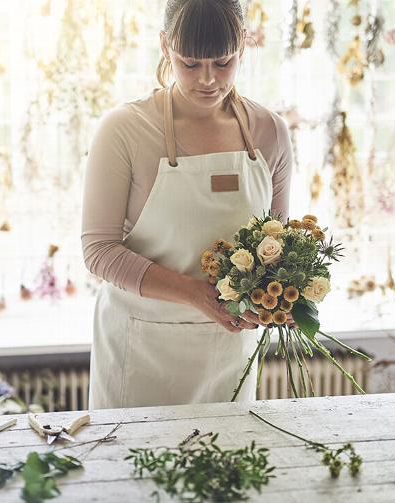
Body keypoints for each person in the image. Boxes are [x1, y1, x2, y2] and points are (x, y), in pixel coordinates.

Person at [81, 0, 294, 410]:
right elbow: (99, 252)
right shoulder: (124, 130)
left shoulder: (269, 132)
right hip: (139, 347)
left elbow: (277, 245)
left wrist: (284, 295)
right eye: (190, 64)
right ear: (165, 46)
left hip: (228, 352)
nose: (208, 80)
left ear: (244, 47)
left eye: (223, 62)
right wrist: (196, 295)